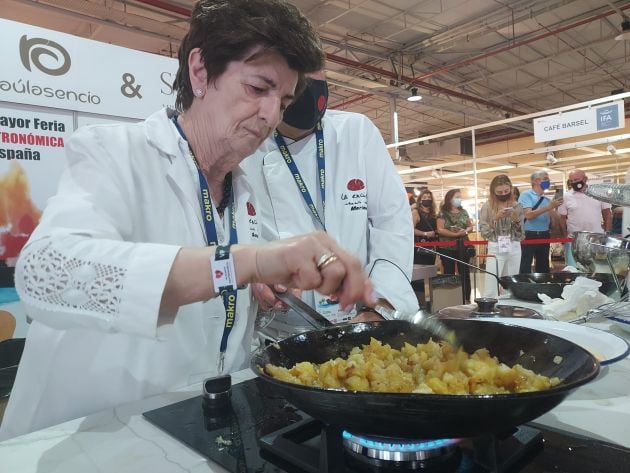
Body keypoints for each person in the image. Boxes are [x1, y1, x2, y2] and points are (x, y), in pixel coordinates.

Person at [0, 0, 374, 440]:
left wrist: (255, 290)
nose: (273, 115)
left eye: (285, 100)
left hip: (193, 433)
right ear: (200, 72)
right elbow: (43, 274)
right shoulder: (116, 154)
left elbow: (212, 294)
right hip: (84, 440)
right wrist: (243, 263)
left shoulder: (245, 191)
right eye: (258, 88)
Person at [243, 70, 418, 324]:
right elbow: (235, 237)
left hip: (361, 317)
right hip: (279, 324)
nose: (312, 84)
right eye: (299, 70)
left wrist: (381, 306)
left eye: (317, 69)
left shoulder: (357, 132)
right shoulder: (248, 146)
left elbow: (392, 222)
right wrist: (256, 276)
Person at [478, 175, 524, 297]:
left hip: (514, 246)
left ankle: (508, 311)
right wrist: (496, 218)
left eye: (506, 191)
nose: (503, 194)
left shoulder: (517, 206)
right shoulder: (487, 207)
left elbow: (521, 235)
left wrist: (516, 220)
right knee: (491, 284)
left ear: (511, 189)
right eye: (499, 192)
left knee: (511, 284)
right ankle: (489, 311)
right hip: (495, 246)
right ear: (493, 192)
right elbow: (484, 233)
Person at [557, 169, 612, 267]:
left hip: (596, 240)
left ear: (585, 179)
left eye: (577, 179)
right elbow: (561, 218)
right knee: (573, 269)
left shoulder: (599, 193)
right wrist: (565, 236)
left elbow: (607, 213)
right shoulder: (566, 196)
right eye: (571, 181)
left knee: (596, 269)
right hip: (573, 241)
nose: (574, 182)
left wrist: (607, 233)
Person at [518, 170, 563, 274]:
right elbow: (528, 215)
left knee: (543, 265)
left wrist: (556, 208)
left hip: (544, 234)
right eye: (545, 179)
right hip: (528, 234)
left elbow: (556, 218)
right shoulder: (526, 195)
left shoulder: (546, 200)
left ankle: (543, 285)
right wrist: (548, 207)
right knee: (525, 265)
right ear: (536, 181)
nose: (548, 181)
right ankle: (526, 287)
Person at [436, 189, 473, 303]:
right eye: (457, 197)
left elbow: (470, 226)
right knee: (448, 272)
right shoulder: (442, 213)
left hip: (462, 246)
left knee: (464, 272)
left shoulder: (464, 212)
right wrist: (454, 234)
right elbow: (440, 229)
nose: (459, 199)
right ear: (449, 198)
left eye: (460, 197)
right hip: (446, 247)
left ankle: (466, 298)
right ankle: (449, 298)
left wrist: (465, 231)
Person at [414, 189, 438, 266]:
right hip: (419, 247)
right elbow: (410, 229)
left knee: (430, 270)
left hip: (431, 247)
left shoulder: (433, 214)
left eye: (429, 197)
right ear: (420, 200)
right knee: (420, 271)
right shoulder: (415, 212)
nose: (427, 199)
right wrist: (425, 233)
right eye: (424, 197)